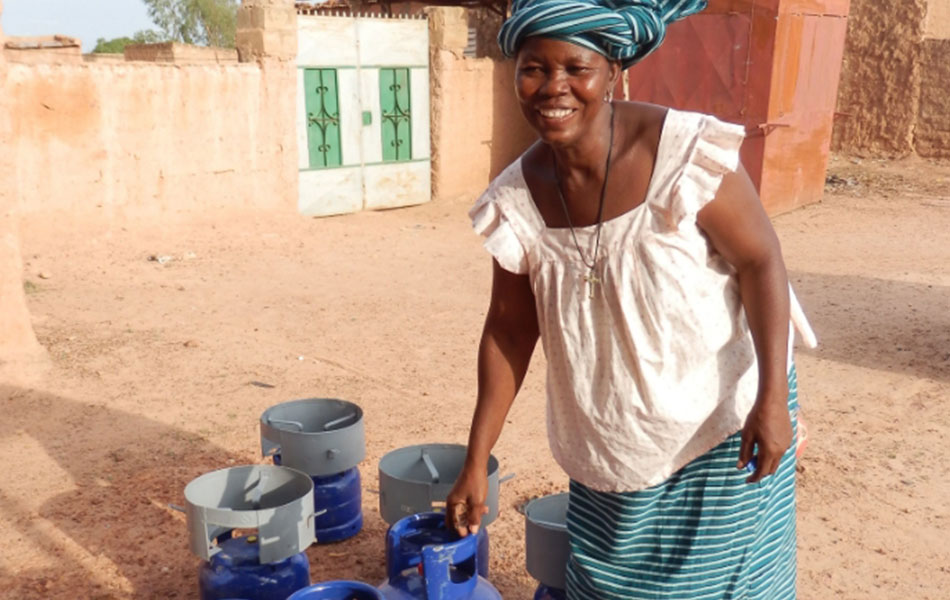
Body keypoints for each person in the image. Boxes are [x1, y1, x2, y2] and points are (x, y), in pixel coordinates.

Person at [445, 0, 816, 598]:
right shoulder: (516, 198)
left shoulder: (681, 153)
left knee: (722, 588)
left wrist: (774, 400)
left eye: (576, 68)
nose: (553, 87)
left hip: (719, 421)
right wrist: (475, 459)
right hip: (610, 438)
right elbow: (510, 330)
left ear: (613, 72)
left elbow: (759, 260)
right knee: (609, 585)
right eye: (533, 69)